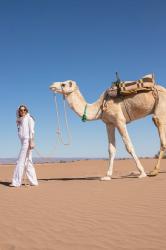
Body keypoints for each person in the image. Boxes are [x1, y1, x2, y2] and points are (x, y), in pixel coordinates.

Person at [10, 105, 38, 187]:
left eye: (24, 110)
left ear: (26, 111)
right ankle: (34, 182)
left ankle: (16, 182)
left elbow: (32, 131)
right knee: (28, 162)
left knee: (20, 161)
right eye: (20, 110)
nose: (22, 111)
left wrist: (31, 141)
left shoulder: (29, 118)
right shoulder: (20, 120)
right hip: (23, 141)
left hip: (27, 141)